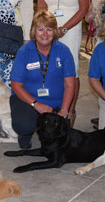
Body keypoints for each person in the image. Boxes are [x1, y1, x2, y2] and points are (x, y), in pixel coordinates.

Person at [38, 0, 90, 124]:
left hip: (70, 31)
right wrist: (43, 29)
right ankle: (53, 108)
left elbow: (83, 9)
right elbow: (42, 6)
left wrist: (64, 28)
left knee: (71, 70)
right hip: (47, 31)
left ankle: (70, 111)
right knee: (50, 69)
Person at [10, 11, 76, 148]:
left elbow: (70, 85)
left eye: (49, 29)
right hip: (29, 101)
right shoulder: (24, 51)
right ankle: (26, 134)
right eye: (40, 29)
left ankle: (47, 128)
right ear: (34, 31)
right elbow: (16, 86)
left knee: (63, 139)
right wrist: (36, 104)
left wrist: (64, 110)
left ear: (54, 32)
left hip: (56, 103)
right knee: (24, 124)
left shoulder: (64, 51)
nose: (45, 34)